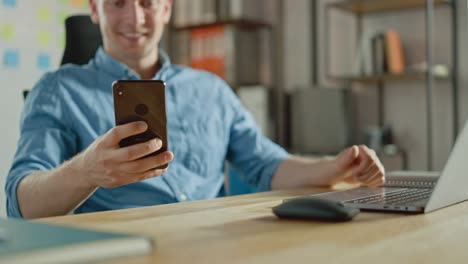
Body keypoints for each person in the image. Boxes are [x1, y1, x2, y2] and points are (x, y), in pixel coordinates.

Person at [5, 0, 385, 219]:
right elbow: (20, 204)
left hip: (211, 246)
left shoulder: (211, 88)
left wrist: (332, 168)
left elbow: (265, 164)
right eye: (118, 1)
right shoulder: (57, 89)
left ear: (167, 7)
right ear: (95, 9)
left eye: (147, 2)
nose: (135, 18)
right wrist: (87, 171)